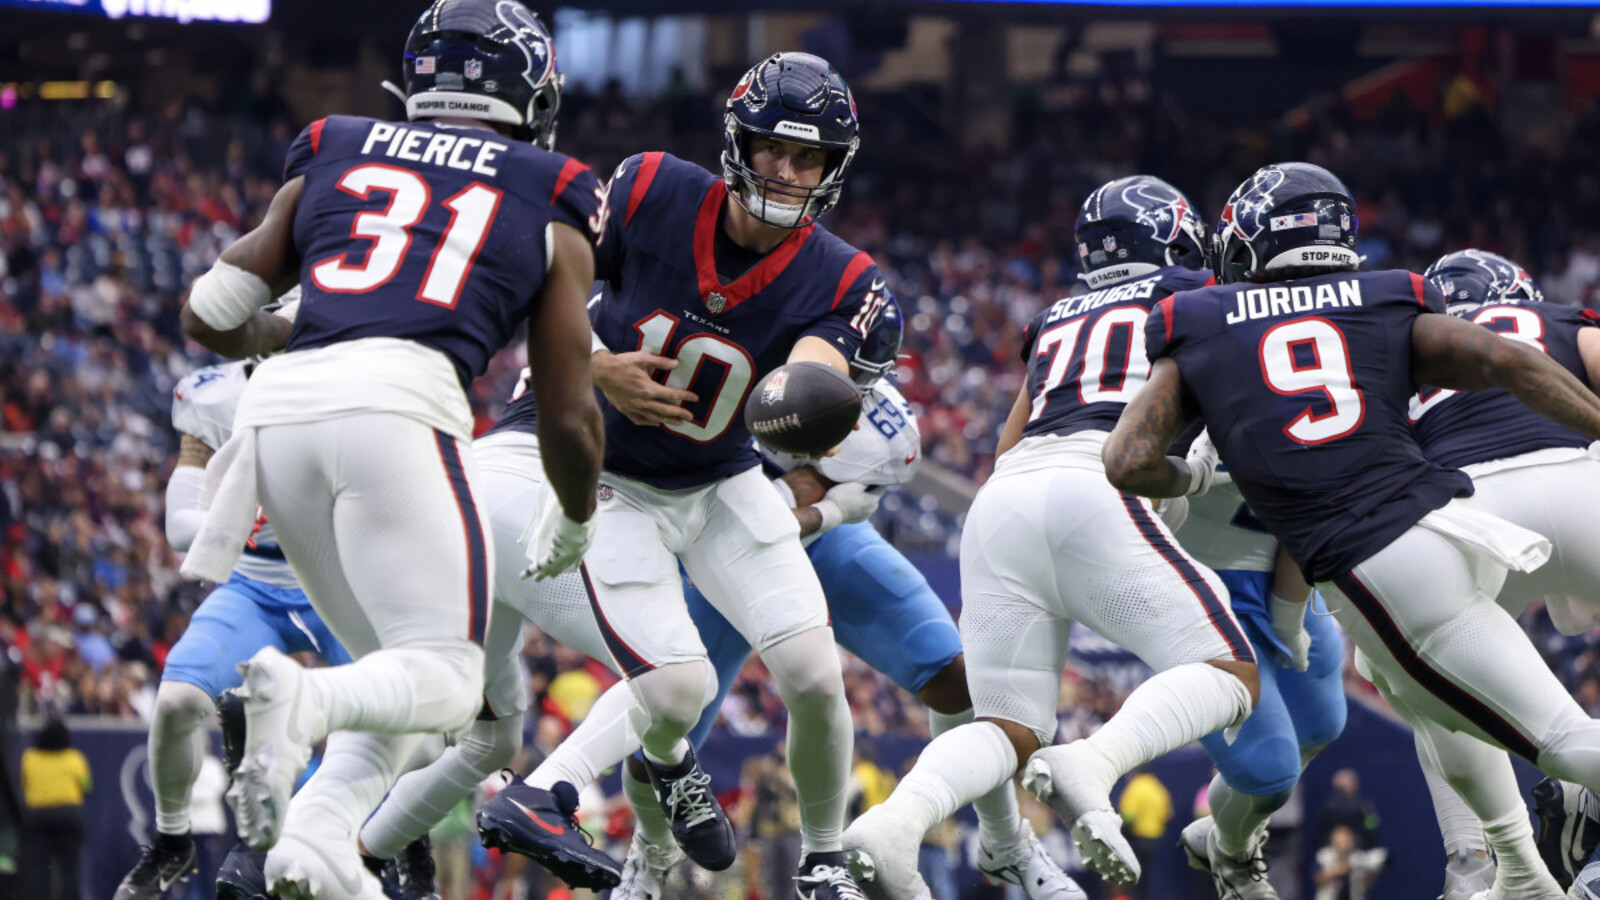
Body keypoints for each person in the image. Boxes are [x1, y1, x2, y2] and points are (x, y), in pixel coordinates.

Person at [175, 0, 605, 895]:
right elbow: (567, 412)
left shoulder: (338, 141)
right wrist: (572, 520)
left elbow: (208, 315)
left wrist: (289, 327)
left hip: (281, 415)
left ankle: (315, 843)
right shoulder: (552, 185)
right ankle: (303, 701)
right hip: (401, 409)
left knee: (398, 674)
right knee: (450, 680)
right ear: (531, 95)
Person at [1102, 161, 1600, 900]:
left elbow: (1127, 461)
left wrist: (1196, 479)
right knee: (1496, 714)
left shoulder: (1203, 321)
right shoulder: (1388, 296)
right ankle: (1520, 876)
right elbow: (1502, 359)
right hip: (1471, 519)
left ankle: (1488, 865)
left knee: (1537, 734)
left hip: (1393, 558)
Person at [472, 51, 888, 900]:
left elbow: (813, 371)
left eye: (807, 158)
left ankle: (822, 858)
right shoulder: (652, 189)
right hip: (613, 476)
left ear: (832, 168)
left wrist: (805, 393)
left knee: (816, 675)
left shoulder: (846, 278)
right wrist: (598, 364)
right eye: (772, 148)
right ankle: (611, 778)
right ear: (738, 141)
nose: (786, 171)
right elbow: (540, 286)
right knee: (674, 681)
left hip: (719, 478)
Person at [841, 175, 1260, 898]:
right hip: (1096, 482)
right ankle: (1094, 761)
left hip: (1003, 499)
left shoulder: (1056, 316)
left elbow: (1009, 442)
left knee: (1007, 729)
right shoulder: (1197, 295)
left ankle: (897, 822)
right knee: (1231, 672)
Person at [115, 354, 357, 900]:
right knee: (176, 701)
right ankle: (171, 840)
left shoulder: (355, 376)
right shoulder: (214, 395)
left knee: (389, 716)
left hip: (340, 580)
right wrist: (238, 519)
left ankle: (388, 841)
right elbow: (180, 524)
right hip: (254, 582)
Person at [1402, 249, 1600, 895]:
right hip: (1582, 476)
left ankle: (1476, 862)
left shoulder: (1403, 350)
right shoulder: (1559, 320)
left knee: (1432, 687)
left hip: (1465, 509)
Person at [21, 719, 89, 900]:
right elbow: (86, 786)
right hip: (68, 816)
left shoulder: (30, 758)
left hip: (38, 818)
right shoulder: (74, 758)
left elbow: (25, 784)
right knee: (70, 871)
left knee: (37, 872)